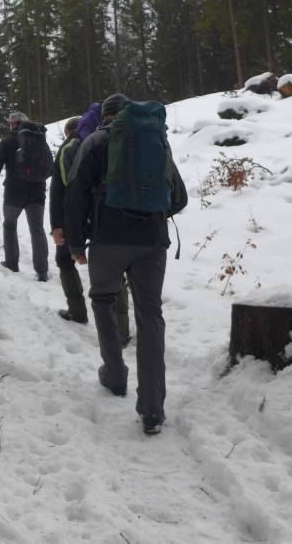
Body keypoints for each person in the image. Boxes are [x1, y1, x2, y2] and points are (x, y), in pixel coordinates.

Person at [64, 93, 188, 435]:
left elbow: (75, 195)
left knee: (103, 300)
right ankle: (152, 409)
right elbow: (179, 197)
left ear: (104, 116)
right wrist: (151, 215)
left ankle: (115, 376)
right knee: (150, 316)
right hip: (152, 241)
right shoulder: (156, 140)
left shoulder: (94, 143)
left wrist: (76, 241)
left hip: (108, 239)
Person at [49, 116, 131, 345]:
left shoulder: (70, 148)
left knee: (65, 261)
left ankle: (77, 311)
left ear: (68, 131)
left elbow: (59, 189)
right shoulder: (108, 141)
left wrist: (57, 225)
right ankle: (122, 330)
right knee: (116, 271)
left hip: (73, 215)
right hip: (108, 216)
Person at [0, 111, 50, 281]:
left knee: (9, 225)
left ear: (11, 124)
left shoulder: (6, 142)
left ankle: (12, 263)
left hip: (14, 192)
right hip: (37, 191)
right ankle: (42, 271)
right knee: (37, 228)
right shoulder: (38, 138)